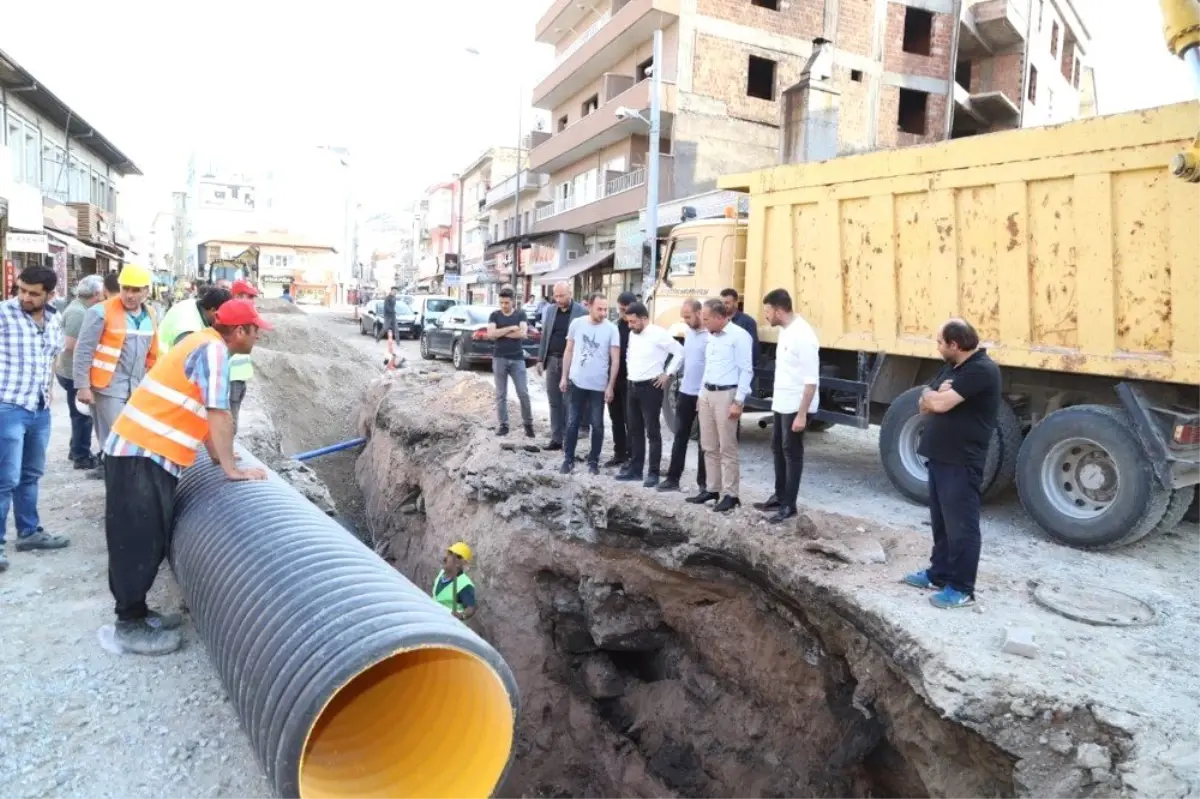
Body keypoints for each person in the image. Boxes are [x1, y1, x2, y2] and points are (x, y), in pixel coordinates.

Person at [103, 299, 270, 654]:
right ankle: (128, 625)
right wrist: (230, 469)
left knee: (150, 534)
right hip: (140, 452)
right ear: (239, 331)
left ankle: (138, 612)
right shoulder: (213, 351)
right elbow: (218, 412)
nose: (258, 338)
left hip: (147, 452)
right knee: (138, 539)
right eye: (256, 331)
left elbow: (202, 410)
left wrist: (215, 454)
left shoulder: (203, 343)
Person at [902, 319, 1001, 610]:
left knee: (962, 527)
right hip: (940, 457)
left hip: (961, 461)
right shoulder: (952, 368)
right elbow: (923, 402)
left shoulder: (981, 370)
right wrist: (934, 395)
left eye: (939, 342)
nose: (938, 347)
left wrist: (936, 397)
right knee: (942, 523)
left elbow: (940, 404)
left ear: (954, 345)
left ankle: (961, 588)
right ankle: (939, 574)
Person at [0, 265, 71, 572]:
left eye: (33, 293)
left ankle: (28, 532)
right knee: (5, 479)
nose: (24, 298)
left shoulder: (55, 318)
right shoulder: (4, 314)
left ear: (50, 295)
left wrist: (49, 388)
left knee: (30, 474)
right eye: (21, 290)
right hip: (8, 407)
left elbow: (52, 354)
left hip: (39, 409)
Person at [73, 264, 159, 472]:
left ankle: (125, 484)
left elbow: (152, 354)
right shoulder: (100, 312)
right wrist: (82, 386)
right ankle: (118, 486)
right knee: (117, 440)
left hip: (136, 387)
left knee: (132, 440)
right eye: (125, 288)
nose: (129, 295)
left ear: (146, 291)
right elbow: (83, 350)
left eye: (136, 290)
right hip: (108, 388)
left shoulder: (151, 315)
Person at [755, 289, 820, 524]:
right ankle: (779, 495)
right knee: (777, 448)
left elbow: (811, 381)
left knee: (792, 453)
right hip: (782, 403)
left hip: (796, 405)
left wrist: (802, 414)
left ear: (778, 310)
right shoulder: (786, 331)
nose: (765, 316)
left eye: (767, 311)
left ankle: (789, 505)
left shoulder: (803, 335)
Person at [687, 298, 753, 513]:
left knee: (727, 447)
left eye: (706, 319)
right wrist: (700, 394)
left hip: (726, 394)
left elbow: (746, 370)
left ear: (718, 317)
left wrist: (738, 401)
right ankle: (712, 489)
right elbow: (709, 365)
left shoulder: (739, 336)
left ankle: (731, 494)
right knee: (708, 445)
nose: (703, 323)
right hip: (707, 392)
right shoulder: (711, 335)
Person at [618, 302, 683, 488]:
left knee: (652, 431)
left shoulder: (658, 334)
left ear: (644, 318)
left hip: (650, 387)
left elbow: (679, 352)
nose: (630, 325)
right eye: (628, 322)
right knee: (635, 430)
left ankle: (653, 472)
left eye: (633, 321)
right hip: (633, 385)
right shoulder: (632, 334)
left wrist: (667, 374)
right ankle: (635, 470)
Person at [559, 294, 620, 475]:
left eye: (605, 309)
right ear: (589, 307)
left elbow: (615, 359)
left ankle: (593, 462)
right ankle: (568, 459)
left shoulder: (611, 329)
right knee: (572, 422)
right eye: (599, 309)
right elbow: (568, 351)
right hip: (577, 381)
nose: (603, 313)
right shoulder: (577, 324)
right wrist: (564, 376)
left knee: (597, 424)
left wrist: (610, 385)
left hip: (598, 384)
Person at [55, 275, 106, 470]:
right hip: (71, 372)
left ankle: (76, 449)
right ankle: (81, 455)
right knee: (81, 415)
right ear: (95, 294)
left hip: (72, 370)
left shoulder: (83, 309)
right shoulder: (78, 313)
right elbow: (70, 344)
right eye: (101, 293)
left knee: (82, 415)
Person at [659, 299, 708, 494]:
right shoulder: (689, 334)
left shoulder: (709, 337)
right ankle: (673, 478)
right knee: (680, 436)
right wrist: (670, 374)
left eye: (688, 317)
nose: (685, 321)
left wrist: (702, 394)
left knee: (704, 441)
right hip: (686, 392)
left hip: (703, 395)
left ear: (699, 313)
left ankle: (704, 484)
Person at [537, 282, 586, 451]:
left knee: (569, 402)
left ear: (570, 293)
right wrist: (539, 359)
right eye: (555, 296)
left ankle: (568, 440)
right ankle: (556, 438)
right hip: (552, 360)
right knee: (554, 401)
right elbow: (545, 336)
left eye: (561, 296)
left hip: (572, 363)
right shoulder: (550, 311)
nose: (558, 299)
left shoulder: (581, 312)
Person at [487, 287, 535, 438]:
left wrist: (502, 332)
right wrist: (510, 328)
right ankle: (504, 425)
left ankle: (528, 424)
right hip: (499, 358)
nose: (503, 306)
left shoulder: (520, 313)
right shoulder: (494, 315)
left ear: (512, 301)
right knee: (501, 394)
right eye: (501, 303)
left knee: (523, 393)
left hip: (517, 358)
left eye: (506, 303)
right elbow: (491, 334)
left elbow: (522, 333)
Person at [606, 292, 636, 468]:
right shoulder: (614, 327)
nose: (623, 313)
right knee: (615, 418)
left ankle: (632, 456)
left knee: (630, 420)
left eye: (625, 309)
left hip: (630, 380)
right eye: (620, 309)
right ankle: (619, 453)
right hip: (614, 379)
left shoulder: (637, 329)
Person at [158, 287, 233, 354]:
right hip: (164, 360)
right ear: (213, 310)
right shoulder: (189, 327)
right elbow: (185, 358)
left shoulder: (193, 304)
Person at [228, 280, 259, 428]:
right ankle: (227, 449)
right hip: (232, 376)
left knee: (234, 413)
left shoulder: (244, 314)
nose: (253, 301)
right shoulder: (233, 317)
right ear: (239, 295)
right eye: (250, 296)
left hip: (240, 376)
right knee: (230, 418)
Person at [432, 541, 477, 621]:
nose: (445, 558)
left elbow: (471, 607)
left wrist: (462, 616)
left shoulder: (465, 585)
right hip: (433, 618)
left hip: (448, 627)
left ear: (460, 563)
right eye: (449, 553)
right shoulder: (442, 573)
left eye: (451, 555)